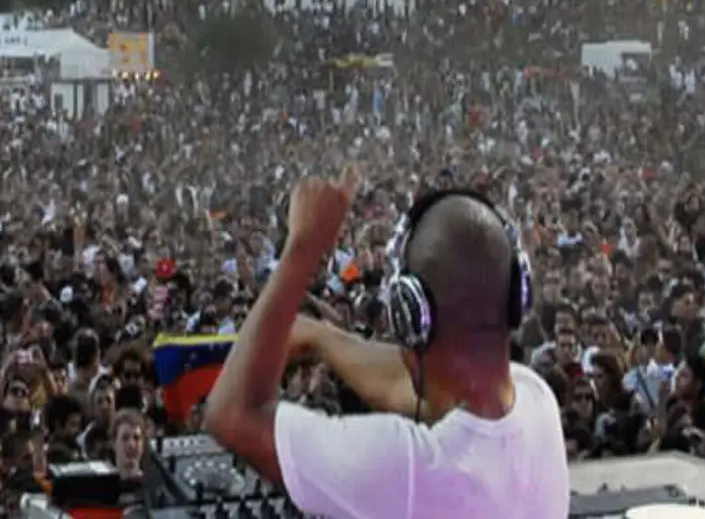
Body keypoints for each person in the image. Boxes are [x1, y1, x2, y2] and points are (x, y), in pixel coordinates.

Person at [204, 168, 569, 517]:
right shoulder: (536, 401)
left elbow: (232, 415)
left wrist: (302, 247)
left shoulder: (407, 470)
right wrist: (322, 338)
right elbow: (401, 383)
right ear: (516, 297)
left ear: (410, 315)